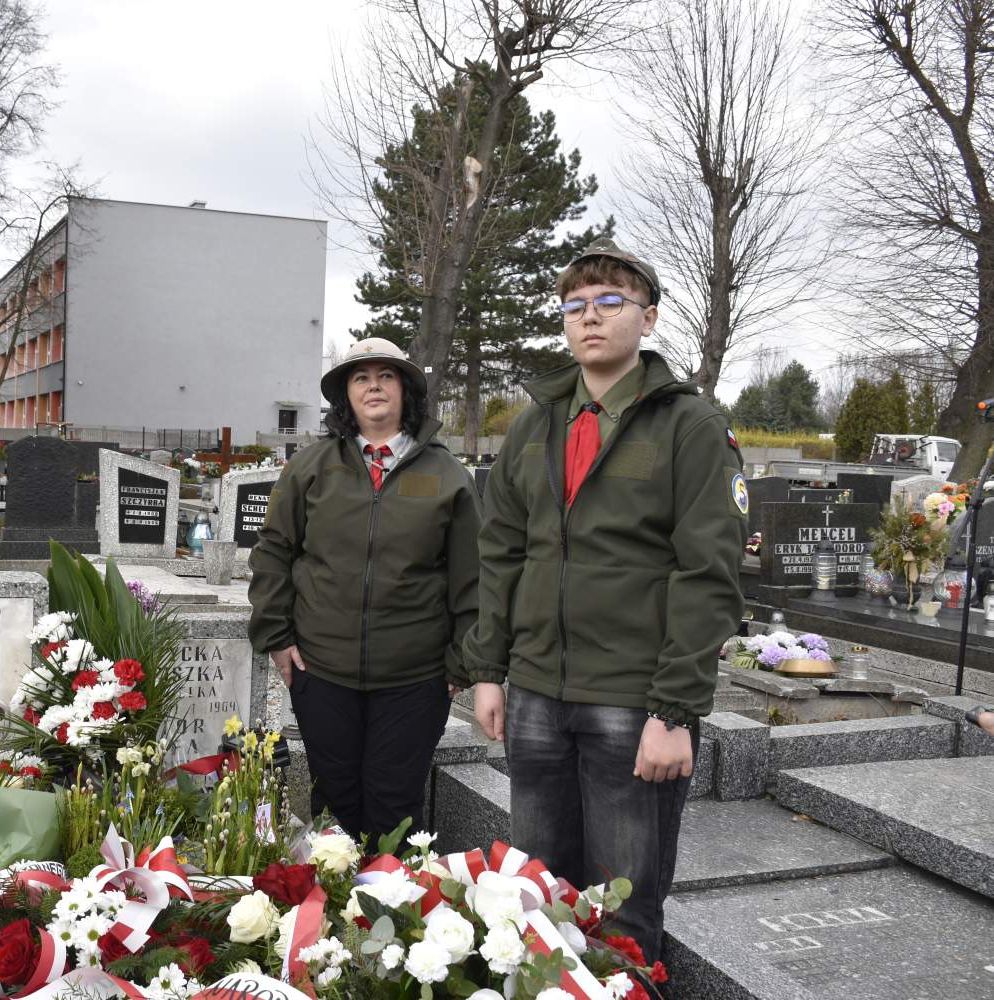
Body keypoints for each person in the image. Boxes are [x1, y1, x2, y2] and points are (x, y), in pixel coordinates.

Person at [462, 238, 746, 961]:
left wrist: (674, 711)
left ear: (648, 319)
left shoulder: (691, 426)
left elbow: (708, 573)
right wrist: (488, 670)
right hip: (535, 694)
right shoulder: (534, 425)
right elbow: (501, 552)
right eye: (575, 306)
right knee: (535, 898)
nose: (590, 317)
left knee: (622, 913)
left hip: (631, 700)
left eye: (611, 302)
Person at [248, 337, 482, 844]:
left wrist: (461, 662)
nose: (373, 386)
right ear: (346, 396)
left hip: (414, 678)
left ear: (406, 390)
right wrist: (276, 636)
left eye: (386, 376)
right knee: (335, 805)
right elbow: (274, 552)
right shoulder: (311, 467)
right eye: (361, 377)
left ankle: (389, 893)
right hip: (322, 669)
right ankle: (332, 895)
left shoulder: (447, 475)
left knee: (393, 807)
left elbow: (472, 577)